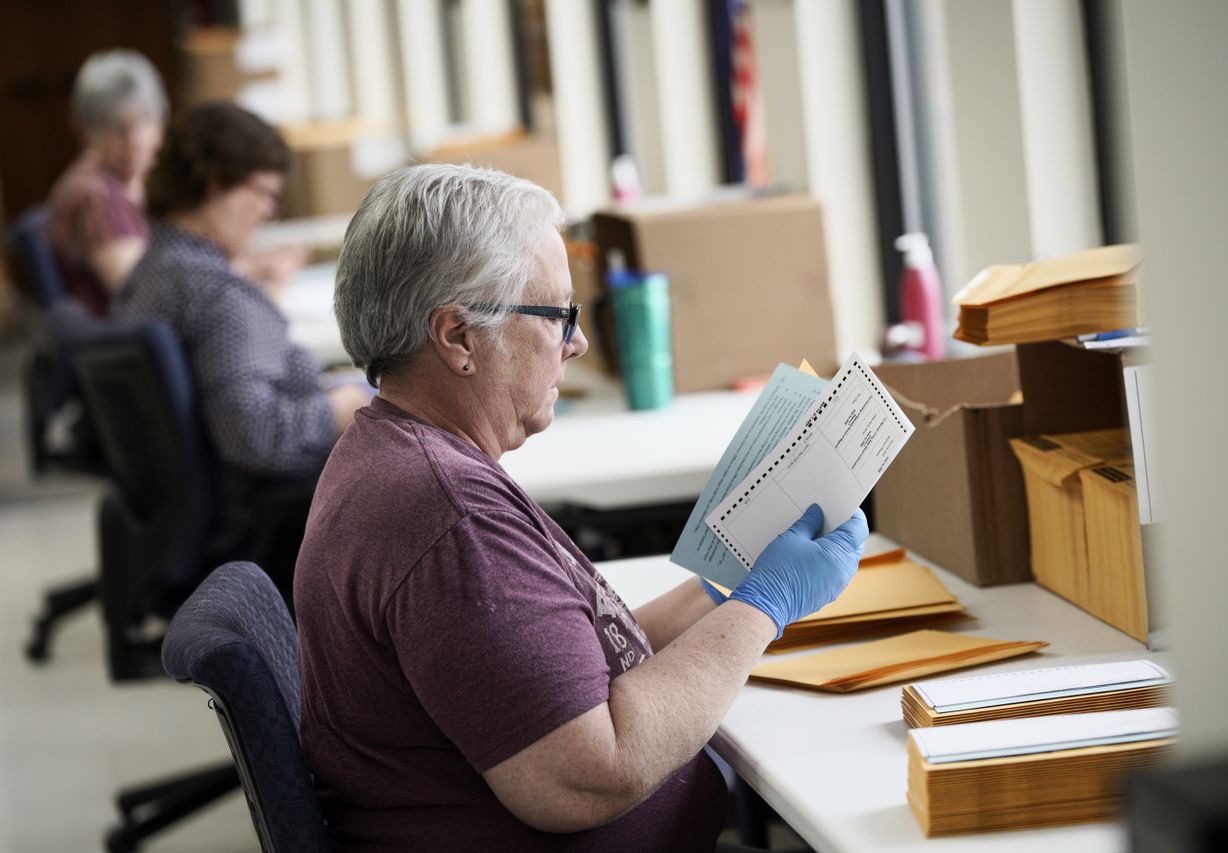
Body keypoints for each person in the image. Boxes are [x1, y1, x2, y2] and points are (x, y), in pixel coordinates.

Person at [293, 163, 869, 852]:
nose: (578, 342)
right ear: (457, 338)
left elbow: (579, 666)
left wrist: (721, 587)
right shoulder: (449, 517)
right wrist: (763, 605)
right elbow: (592, 774)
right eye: (558, 314)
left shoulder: (398, 456)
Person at [114, 101, 368, 560]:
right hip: (264, 523)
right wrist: (343, 407)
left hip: (190, 517)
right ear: (217, 184)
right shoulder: (219, 296)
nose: (269, 212)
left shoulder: (150, 273)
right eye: (264, 193)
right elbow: (254, 437)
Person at [45, 49, 166, 315]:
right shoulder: (96, 194)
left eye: (143, 121)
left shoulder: (130, 182)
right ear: (85, 128)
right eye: (117, 127)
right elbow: (137, 292)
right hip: (126, 343)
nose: (133, 140)